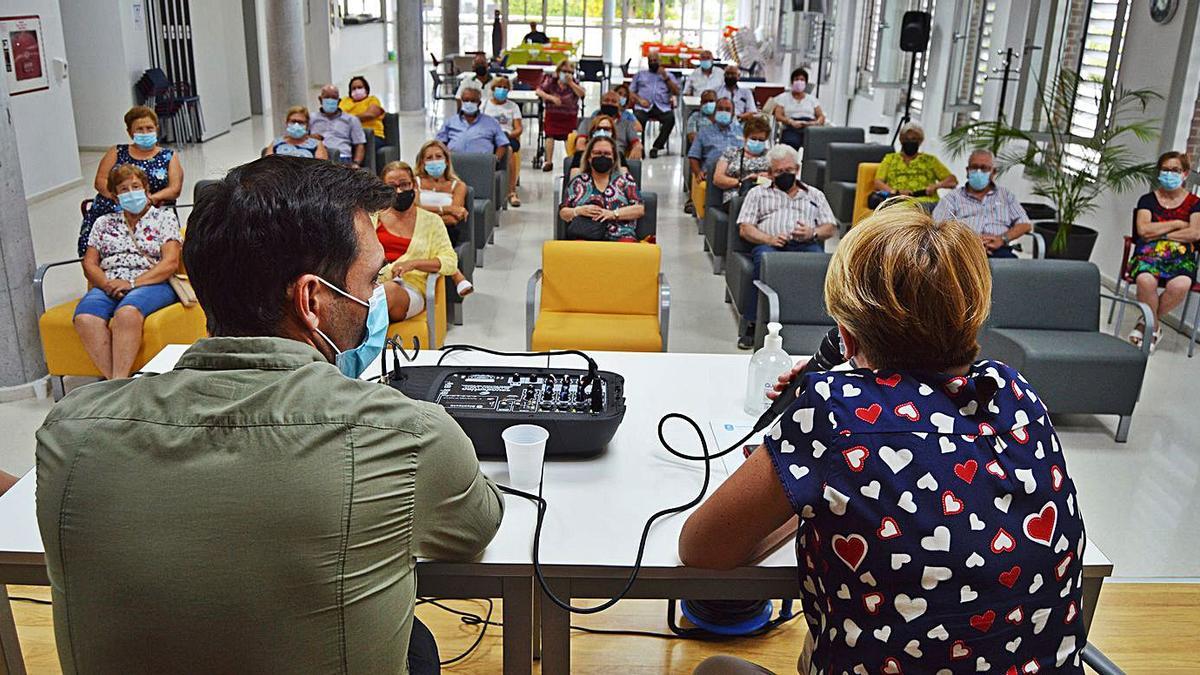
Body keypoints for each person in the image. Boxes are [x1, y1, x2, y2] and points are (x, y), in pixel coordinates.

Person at [37, 155, 504, 674]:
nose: (375, 297)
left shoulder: (70, 433)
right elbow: (475, 528)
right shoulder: (407, 435)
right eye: (371, 282)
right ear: (312, 300)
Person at [682, 206, 1087, 675]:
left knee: (717, 670)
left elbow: (702, 548)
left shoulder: (835, 412)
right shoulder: (1016, 393)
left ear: (846, 338)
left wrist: (807, 495)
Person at [74, 164, 181, 380]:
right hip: (109, 283)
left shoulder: (164, 218)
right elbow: (90, 263)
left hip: (152, 281)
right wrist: (106, 284)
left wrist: (132, 283)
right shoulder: (103, 222)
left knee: (127, 313)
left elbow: (170, 262)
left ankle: (119, 381)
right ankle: (117, 383)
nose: (131, 193)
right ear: (114, 196)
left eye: (136, 186)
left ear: (146, 190)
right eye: (124, 189)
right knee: (85, 317)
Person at [735, 144, 836, 349]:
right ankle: (753, 324)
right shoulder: (758, 193)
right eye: (779, 171)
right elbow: (745, 228)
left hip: (805, 245)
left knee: (822, 265)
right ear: (771, 173)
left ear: (797, 170)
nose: (785, 175)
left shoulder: (814, 195)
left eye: (789, 171)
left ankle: (815, 320)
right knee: (762, 264)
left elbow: (830, 227)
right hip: (770, 246)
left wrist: (812, 233)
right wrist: (768, 239)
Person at [77, 105, 182, 256]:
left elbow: (175, 189)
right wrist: (121, 199)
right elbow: (100, 181)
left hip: (151, 211)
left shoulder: (169, 156)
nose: (145, 132)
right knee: (97, 250)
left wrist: (147, 200)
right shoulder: (116, 151)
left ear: (156, 129)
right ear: (130, 132)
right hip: (113, 208)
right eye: (139, 129)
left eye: (149, 128)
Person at [1127, 151, 1200, 350]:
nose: (1169, 174)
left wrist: (1161, 234)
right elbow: (1143, 230)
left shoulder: (1195, 203)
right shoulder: (1147, 200)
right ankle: (1154, 329)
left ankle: (1146, 324)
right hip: (1148, 254)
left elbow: (1194, 233)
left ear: (1185, 174)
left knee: (1181, 284)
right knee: (1145, 280)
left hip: (1181, 256)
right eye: (1165, 170)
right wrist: (1177, 223)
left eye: (1175, 170)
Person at [377, 161, 464, 320]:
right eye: (391, 187)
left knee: (386, 292)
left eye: (404, 184)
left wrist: (414, 263)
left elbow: (450, 261)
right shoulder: (372, 217)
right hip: (371, 284)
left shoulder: (432, 221)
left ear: (414, 186)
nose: (399, 191)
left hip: (410, 288)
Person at [932, 148, 1032, 259]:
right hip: (963, 251)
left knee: (1012, 270)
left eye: (984, 168)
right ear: (967, 171)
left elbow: (1025, 224)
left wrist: (1002, 239)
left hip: (999, 250)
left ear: (993, 172)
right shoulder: (952, 198)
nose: (979, 171)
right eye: (974, 167)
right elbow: (937, 227)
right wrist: (971, 241)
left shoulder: (1006, 196)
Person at [414, 140, 475, 295]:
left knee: (432, 238)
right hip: (416, 228)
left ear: (447, 161)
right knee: (428, 239)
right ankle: (457, 276)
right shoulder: (415, 182)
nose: (434, 161)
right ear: (422, 162)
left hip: (446, 231)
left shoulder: (458, 185)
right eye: (429, 158)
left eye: (438, 156)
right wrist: (445, 209)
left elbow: (454, 219)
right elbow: (412, 209)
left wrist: (423, 213)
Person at [559, 136, 645, 242]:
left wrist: (613, 214)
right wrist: (578, 211)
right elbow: (563, 212)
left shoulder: (625, 180)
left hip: (620, 235)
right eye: (597, 153)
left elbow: (639, 209)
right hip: (585, 234)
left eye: (607, 154)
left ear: (614, 158)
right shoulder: (578, 182)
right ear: (589, 157)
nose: (602, 157)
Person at [871, 122, 957, 209]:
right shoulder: (890, 158)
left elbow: (952, 181)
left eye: (914, 139)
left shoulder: (930, 160)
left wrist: (935, 186)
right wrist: (895, 192)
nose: (910, 142)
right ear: (901, 140)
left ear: (920, 141)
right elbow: (878, 182)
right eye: (906, 139)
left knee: (915, 209)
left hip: (925, 201)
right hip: (898, 199)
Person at [535, 60, 585, 172]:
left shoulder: (574, 83)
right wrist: (551, 98)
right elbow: (539, 91)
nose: (567, 74)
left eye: (570, 72)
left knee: (570, 137)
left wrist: (571, 83)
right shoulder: (551, 81)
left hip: (569, 116)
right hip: (553, 114)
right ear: (558, 72)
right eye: (564, 71)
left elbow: (582, 94)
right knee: (549, 136)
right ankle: (548, 161)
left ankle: (572, 160)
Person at [435, 87, 510, 161]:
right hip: (454, 163)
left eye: (473, 101)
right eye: (466, 100)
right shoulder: (450, 121)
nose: (469, 103)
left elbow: (502, 143)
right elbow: (439, 143)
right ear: (461, 101)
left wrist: (494, 161)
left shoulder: (491, 122)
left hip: (482, 165)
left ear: (479, 103)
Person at [711, 115, 773, 204]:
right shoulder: (731, 153)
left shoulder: (771, 156)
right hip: (737, 198)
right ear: (745, 137)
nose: (757, 142)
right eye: (753, 138)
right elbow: (717, 179)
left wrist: (767, 177)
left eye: (761, 140)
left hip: (765, 196)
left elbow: (778, 177)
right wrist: (743, 182)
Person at [483, 76, 524, 207]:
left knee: (509, 150)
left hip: (507, 137)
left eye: (505, 87)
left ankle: (511, 191)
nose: (502, 89)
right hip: (488, 136)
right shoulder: (484, 104)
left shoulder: (513, 107)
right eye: (499, 87)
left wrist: (508, 134)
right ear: (493, 89)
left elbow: (519, 129)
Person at [629, 55, 680, 158]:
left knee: (670, 119)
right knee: (638, 119)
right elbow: (630, 91)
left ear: (660, 61)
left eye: (655, 60)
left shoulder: (668, 75)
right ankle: (639, 146)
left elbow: (677, 92)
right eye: (650, 60)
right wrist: (639, 100)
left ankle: (656, 147)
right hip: (643, 106)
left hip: (662, 106)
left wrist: (666, 78)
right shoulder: (640, 75)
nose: (653, 62)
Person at [575, 90, 643, 160]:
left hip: (617, 157)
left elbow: (636, 143)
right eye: (606, 100)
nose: (610, 103)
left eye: (614, 101)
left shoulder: (627, 124)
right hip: (591, 156)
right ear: (601, 103)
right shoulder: (587, 122)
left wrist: (637, 147)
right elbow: (580, 143)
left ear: (619, 106)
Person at [687, 98, 743, 183]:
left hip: (737, 174)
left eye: (727, 110)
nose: (724, 112)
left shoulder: (741, 131)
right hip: (711, 175)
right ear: (715, 112)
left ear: (733, 114)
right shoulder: (704, 132)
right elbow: (693, 156)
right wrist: (698, 172)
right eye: (720, 109)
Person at [310, 84, 366, 167]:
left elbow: (360, 144)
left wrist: (356, 163)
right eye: (327, 97)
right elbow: (303, 139)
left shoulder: (351, 119)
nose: (330, 100)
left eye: (333, 97)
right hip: (317, 158)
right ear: (320, 99)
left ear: (339, 101)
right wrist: (311, 137)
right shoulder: (311, 118)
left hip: (343, 159)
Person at [772, 67, 827, 149]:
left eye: (802, 80)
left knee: (814, 145)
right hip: (791, 126)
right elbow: (778, 115)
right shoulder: (783, 97)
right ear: (792, 82)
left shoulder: (812, 99)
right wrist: (791, 122)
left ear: (806, 83)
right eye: (796, 79)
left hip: (810, 126)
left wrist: (815, 123)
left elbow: (821, 116)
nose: (799, 82)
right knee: (791, 143)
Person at [264, 106, 329, 160]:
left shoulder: (316, 144)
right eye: (293, 121)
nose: (296, 125)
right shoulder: (276, 143)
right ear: (287, 123)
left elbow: (321, 168)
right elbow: (267, 165)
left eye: (301, 122)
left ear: (307, 125)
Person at [339, 75, 386, 142]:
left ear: (366, 90)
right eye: (354, 88)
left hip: (371, 136)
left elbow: (370, 115)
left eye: (360, 87)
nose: (357, 90)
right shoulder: (345, 101)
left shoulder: (372, 100)